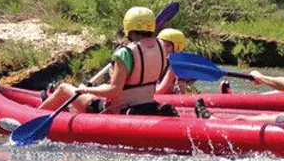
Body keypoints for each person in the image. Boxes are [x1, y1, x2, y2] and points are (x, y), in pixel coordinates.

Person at [38, 7, 171, 116]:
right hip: (148, 105)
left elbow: (114, 90)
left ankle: (35, 114)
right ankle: (64, 110)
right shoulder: (162, 48)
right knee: (82, 100)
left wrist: (85, 90)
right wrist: (94, 89)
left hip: (120, 110)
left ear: (128, 27)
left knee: (63, 88)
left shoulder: (125, 53)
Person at [155, 28, 189, 94]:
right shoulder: (157, 61)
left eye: (168, 45)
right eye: (162, 45)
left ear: (177, 47)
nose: (164, 48)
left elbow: (160, 91)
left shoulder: (176, 66)